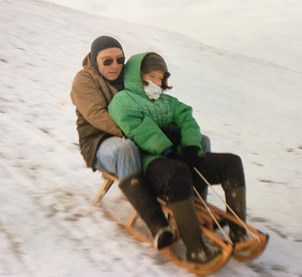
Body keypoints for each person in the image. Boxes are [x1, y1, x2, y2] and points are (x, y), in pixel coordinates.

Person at [108, 52, 249, 268]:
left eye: (160, 77)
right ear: (137, 76)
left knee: (231, 163)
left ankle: (239, 233)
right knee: (177, 172)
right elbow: (139, 130)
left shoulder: (168, 101)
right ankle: (196, 250)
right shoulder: (122, 101)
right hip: (151, 163)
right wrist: (167, 151)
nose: (157, 82)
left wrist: (192, 146)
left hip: (181, 157)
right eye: (151, 76)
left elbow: (187, 118)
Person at [70, 36, 177, 250]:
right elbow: (96, 114)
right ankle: (158, 224)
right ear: (94, 59)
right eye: (107, 61)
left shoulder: (128, 74)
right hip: (99, 141)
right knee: (125, 149)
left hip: (137, 134)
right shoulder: (84, 80)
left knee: (193, 140)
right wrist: (140, 133)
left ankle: (192, 204)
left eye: (120, 60)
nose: (115, 66)